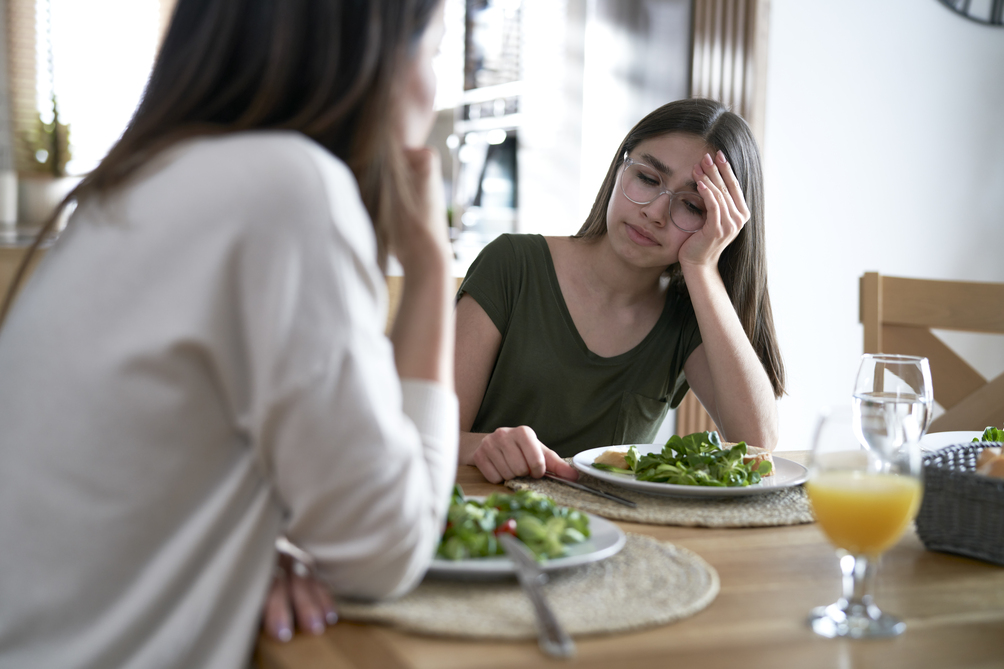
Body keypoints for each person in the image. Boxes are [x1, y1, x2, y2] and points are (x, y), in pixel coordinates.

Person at [0, 1, 456, 667]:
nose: (433, 90)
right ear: (378, 53)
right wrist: (432, 271)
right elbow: (388, 548)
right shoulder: (287, 190)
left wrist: (256, 538)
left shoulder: (133, 184)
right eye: (436, 51)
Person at [455, 99, 785, 483]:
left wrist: (702, 269)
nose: (656, 212)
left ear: (718, 223)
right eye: (647, 179)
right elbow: (428, 433)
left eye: (692, 205)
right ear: (619, 168)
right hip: (485, 519)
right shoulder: (512, 264)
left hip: (615, 531)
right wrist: (483, 447)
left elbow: (759, 443)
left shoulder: (689, 314)